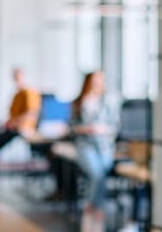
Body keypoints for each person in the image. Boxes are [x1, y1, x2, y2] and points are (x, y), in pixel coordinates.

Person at [70, 71, 119, 232]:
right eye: (96, 80)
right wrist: (85, 129)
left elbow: (116, 126)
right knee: (97, 174)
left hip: (105, 146)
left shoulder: (108, 101)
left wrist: (102, 129)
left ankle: (92, 207)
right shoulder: (79, 102)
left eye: (101, 80)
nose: (99, 83)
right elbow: (71, 127)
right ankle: (95, 209)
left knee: (101, 175)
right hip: (86, 145)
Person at [0, 68, 41, 189]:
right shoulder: (17, 94)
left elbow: (31, 112)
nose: (16, 80)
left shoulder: (29, 92)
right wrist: (9, 122)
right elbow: (13, 114)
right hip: (12, 127)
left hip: (21, 129)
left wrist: (14, 122)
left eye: (18, 76)